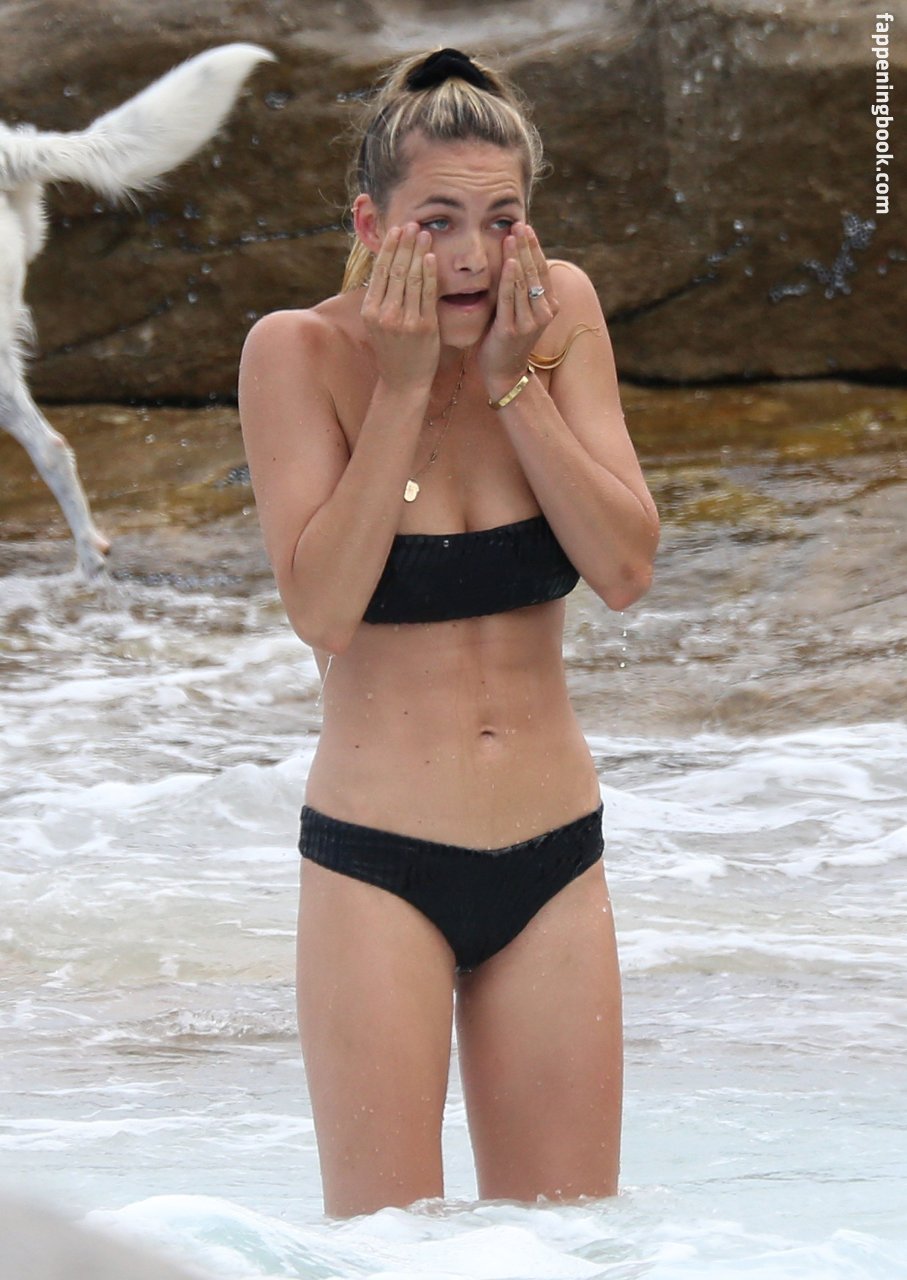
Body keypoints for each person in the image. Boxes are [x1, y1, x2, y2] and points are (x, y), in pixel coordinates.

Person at [238, 47, 659, 1218]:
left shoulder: (558, 315)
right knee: (387, 1252)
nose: (474, 254)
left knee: (572, 1245)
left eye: (501, 218)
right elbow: (323, 606)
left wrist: (516, 384)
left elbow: (624, 566)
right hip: (379, 866)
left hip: (553, 861)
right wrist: (404, 385)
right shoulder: (296, 354)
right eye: (438, 222)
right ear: (371, 224)